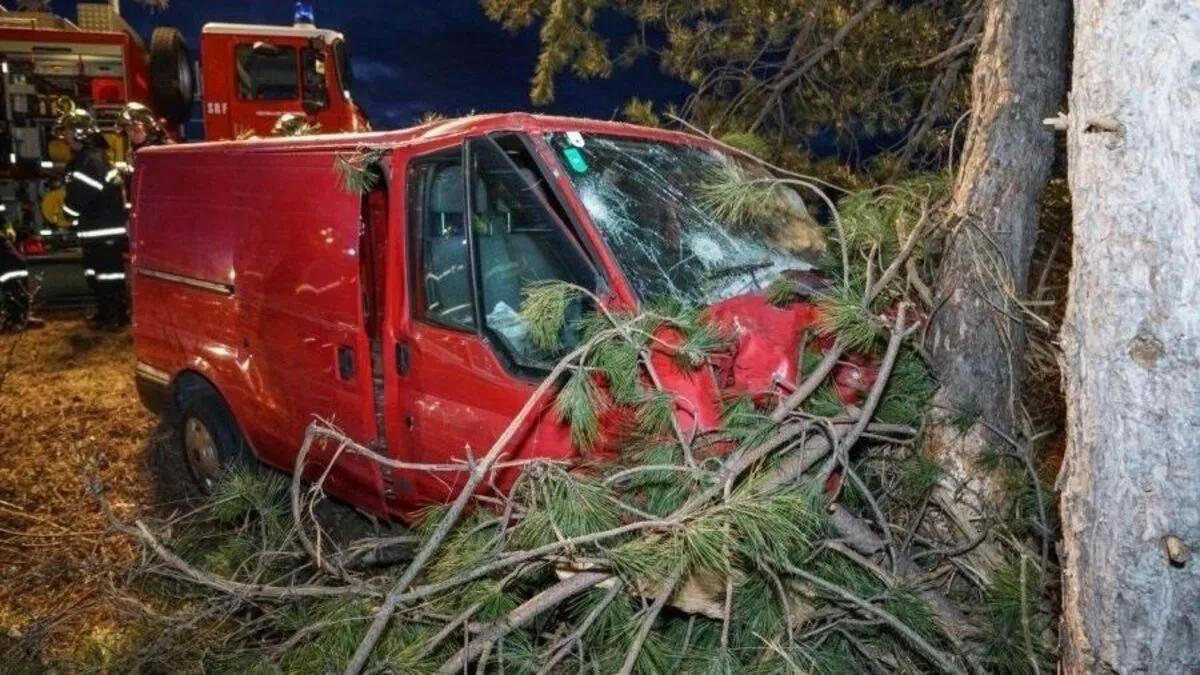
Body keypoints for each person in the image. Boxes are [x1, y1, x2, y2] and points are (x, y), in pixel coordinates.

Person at [59, 108, 128, 330]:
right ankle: (106, 314)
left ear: (78, 133)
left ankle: (116, 317)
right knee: (97, 275)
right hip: (96, 231)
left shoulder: (91, 161)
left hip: (104, 233)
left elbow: (79, 196)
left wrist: (67, 213)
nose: (65, 137)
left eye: (67, 131)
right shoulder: (89, 158)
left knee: (108, 277)